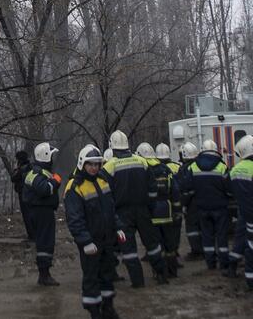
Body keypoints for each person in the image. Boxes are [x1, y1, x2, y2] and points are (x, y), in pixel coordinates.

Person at [65, 145, 127, 319]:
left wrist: (119, 227)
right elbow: (74, 218)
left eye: (97, 164)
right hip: (91, 242)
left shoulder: (102, 180)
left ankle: (108, 307)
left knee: (107, 274)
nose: (94, 168)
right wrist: (85, 241)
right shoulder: (74, 187)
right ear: (82, 164)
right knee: (92, 277)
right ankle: (94, 311)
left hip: (107, 239)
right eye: (90, 164)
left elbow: (111, 209)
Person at [101, 130, 168, 287]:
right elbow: (153, 189)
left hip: (122, 215)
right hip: (143, 210)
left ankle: (138, 282)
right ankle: (161, 274)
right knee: (152, 244)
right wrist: (150, 207)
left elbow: (106, 195)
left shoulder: (109, 167)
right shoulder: (142, 161)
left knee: (128, 249)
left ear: (112, 147)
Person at [178, 139, 232, 270]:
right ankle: (224, 263)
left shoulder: (193, 167)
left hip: (201, 208)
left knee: (207, 236)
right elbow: (229, 189)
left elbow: (187, 188)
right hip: (220, 208)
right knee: (221, 236)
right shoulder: (222, 166)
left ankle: (210, 263)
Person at [23, 141, 62, 286]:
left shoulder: (38, 171)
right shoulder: (36, 173)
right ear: (46, 156)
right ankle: (44, 275)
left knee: (45, 242)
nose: (53, 159)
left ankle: (45, 274)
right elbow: (45, 189)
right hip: (41, 212)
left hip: (41, 211)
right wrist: (56, 181)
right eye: (51, 156)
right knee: (45, 243)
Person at [225, 134, 253, 290]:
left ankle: (237, 270)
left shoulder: (235, 170)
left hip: (245, 212)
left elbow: (228, 190)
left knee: (247, 244)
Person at [153, 143, 184, 277]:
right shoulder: (173, 168)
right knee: (170, 241)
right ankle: (173, 269)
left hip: (154, 212)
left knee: (157, 243)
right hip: (168, 210)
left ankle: (160, 272)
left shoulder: (148, 170)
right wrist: (178, 210)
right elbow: (176, 190)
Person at [177, 141, 203, 260]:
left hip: (191, 203)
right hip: (202, 201)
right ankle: (204, 250)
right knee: (203, 227)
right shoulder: (199, 165)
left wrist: (183, 204)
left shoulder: (185, 169)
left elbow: (184, 187)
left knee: (192, 228)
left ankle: (196, 251)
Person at [10, 149, 35, 241]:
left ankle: (32, 236)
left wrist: (17, 169)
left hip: (23, 194)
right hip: (30, 194)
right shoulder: (31, 167)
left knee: (26, 216)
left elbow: (13, 178)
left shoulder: (22, 169)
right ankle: (33, 235)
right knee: (31, 215)